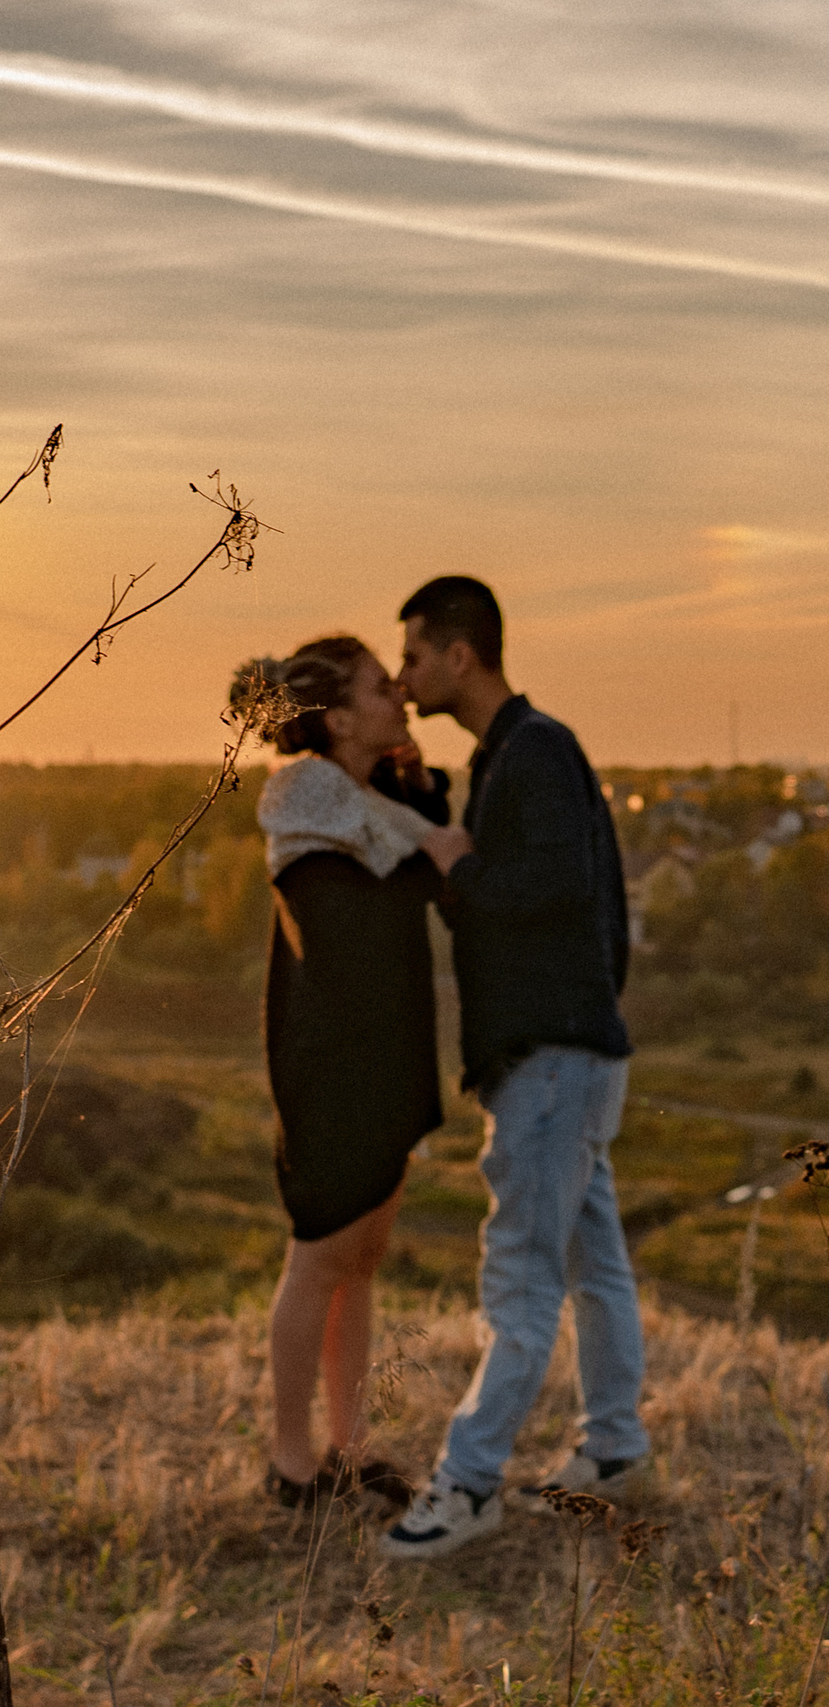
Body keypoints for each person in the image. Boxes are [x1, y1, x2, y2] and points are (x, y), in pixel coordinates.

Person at [379, 575, 647, 1561]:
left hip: (550, 1058)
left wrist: (456, 866)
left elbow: (556, 887)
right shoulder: (515, 755)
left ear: (460, 654)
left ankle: (468, 1483)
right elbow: (562, 901)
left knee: (522, 1280)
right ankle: (614, 1448)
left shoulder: (533, 752)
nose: (403, 679)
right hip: (566, 1049)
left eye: (411, 657)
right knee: (592, 1259)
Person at [235, 636, 455, 1510]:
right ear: (338, 718)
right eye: (378, 686)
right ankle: (294, 1466)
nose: (397, 692)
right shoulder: (309, 814)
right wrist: (426, 851)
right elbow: (351, 931)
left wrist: (414, 785)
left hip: (383, 1055)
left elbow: (424, 871)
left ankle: (350, 1447)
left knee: (361, 1257)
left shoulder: (369, 800)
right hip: (334, 1066)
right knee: (320, 1254)